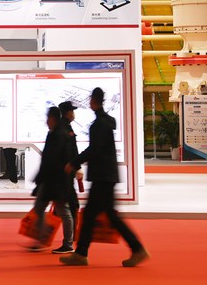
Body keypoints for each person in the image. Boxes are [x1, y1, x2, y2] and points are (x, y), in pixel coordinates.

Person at [60, 88, 148, 267]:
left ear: (94, 101)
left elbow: (95, 149)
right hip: (106, 175)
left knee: (99, 215)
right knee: (98, 215)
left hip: (102, 176)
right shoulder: (107, 121)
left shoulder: (99, 124)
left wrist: (74, 163)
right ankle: (82, 253)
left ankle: (135, 248)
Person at [29, 106, 76, 253]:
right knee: (43, 207)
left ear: (53, 118)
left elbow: (52, 159)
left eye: (48, 118)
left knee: (62, 210)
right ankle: (43, 240)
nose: (46, 121)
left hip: (56, 180)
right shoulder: (57, 133)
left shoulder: (59, 134)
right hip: (53, 180)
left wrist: (40, 177)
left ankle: (66, 243)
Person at [58, 101, 82, 218]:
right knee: (71, 202)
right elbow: (70, 151)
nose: (73, 114)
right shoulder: (63, 128)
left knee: (66, 201)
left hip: (68, 169)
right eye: (72, 111)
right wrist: (76, 166)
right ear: (67, 113)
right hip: (66, 170)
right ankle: (71, 229)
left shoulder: (66, 126)